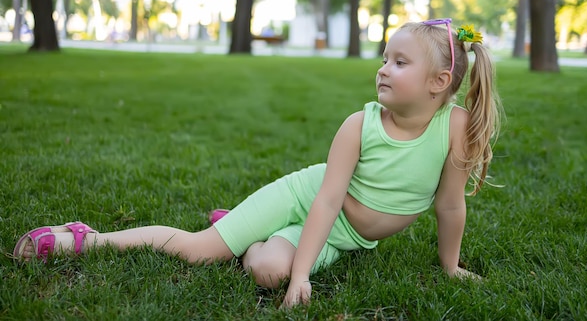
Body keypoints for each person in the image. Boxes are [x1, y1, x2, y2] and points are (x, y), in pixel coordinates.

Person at [13, 19, 501, 308]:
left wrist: (451, 266)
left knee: (268, 272)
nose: (382, 68)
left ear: (439, 82)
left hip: (345, 235)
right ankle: (83, 239)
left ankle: (248, 233)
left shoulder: (454, 127)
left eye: (399, 62)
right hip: (307, 202)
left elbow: (450, 206)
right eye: (384, 57)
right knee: (202, 251)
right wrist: (305, 275)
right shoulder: (361, 124)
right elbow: (328, 199)